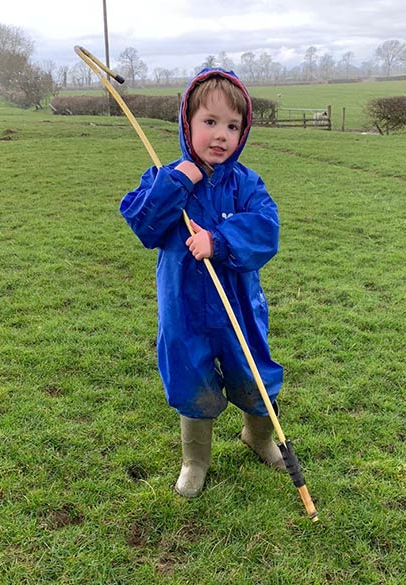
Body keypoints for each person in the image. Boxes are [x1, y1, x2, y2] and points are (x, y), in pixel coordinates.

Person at [120, 68, 284, 498]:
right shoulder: (163, 176)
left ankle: (259, 436)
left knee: (252, 373)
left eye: (232, 126)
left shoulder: (246, 183)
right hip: (185, 305)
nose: (221, 136)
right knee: (191, 378)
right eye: (209, 123)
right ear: (186, 124)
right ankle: (195, 460)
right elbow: (144, 225)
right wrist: (178, 181)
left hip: (238, 306)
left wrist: (220, 240)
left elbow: (267, 230)